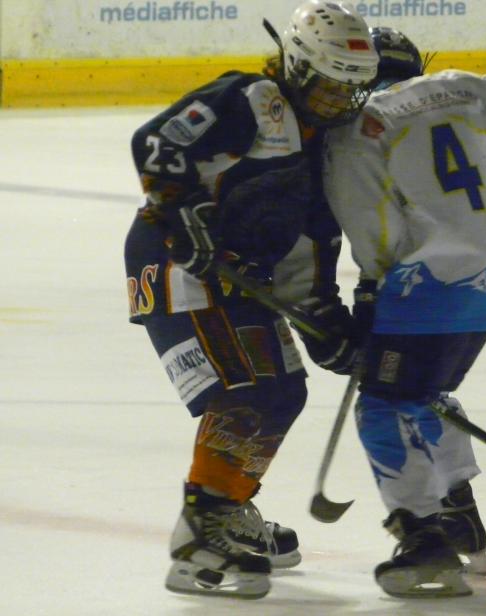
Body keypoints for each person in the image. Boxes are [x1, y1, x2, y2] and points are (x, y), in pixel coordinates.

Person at [124, 1, 377, 599]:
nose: (338, 102)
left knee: (283, 390)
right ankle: (198, 541)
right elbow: (157, 142)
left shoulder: (322, 147)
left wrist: (326, 324)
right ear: (295, 64)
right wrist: (181, 213)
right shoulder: (252, 101)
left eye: (350, 90)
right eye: (328, 86)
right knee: (250, 389)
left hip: (238, 276)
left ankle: (228, 509)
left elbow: (308, 248)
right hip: (175, 263)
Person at [322, 27, 486, 597]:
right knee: (422, 390)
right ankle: (459, 513)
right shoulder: (465, 89)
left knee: (383, 405)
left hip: (427, 284)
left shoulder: (357, 129)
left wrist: (371, 294)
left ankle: (423, 538)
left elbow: (376, 234)